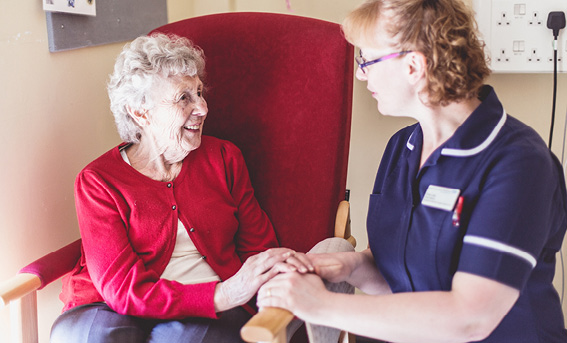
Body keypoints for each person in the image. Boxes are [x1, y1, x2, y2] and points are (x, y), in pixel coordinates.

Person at [257, 0, 567, 342]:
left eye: (368, 60)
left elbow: (471, 317)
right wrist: (354, 267)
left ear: (414, 66)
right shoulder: (402, 148)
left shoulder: (518, 164)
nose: (361, 73)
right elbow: (399, 276)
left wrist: (320, 305)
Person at [50, 33, 309, 343]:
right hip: (108, 306)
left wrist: (257, 293)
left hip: (208, 309)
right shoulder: (98, 181)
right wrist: (222, 294)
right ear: (140, 112)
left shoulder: (225, 159)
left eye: (199, 93)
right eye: (184, 97)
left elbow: (258, 247)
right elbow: (121, 289)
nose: (202, 108)